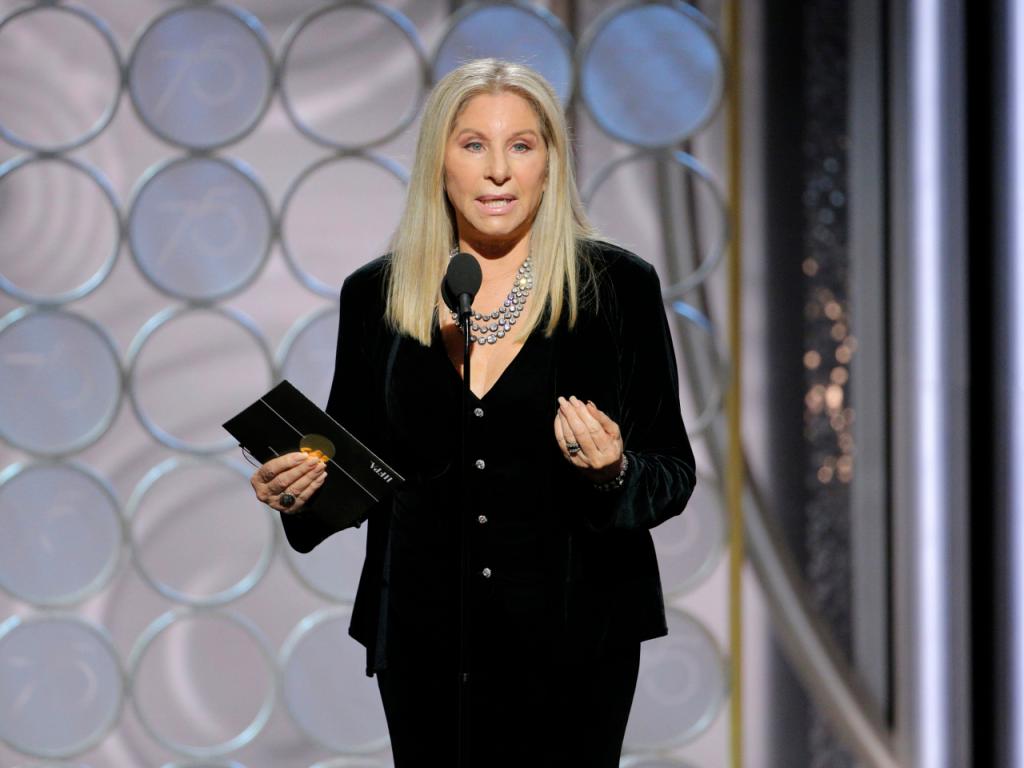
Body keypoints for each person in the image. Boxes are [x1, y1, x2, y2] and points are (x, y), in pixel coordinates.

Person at [249, 58, 696, 767]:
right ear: (440, 162)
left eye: (521, 145)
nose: (498, 171)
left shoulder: (617, 288)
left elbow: (672, 471)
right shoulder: (376, 295)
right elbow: (352, 473)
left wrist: (612, 471)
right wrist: (297, 491)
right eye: (474, 145)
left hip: (576, 640)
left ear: (550, 164)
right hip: (423, 642)